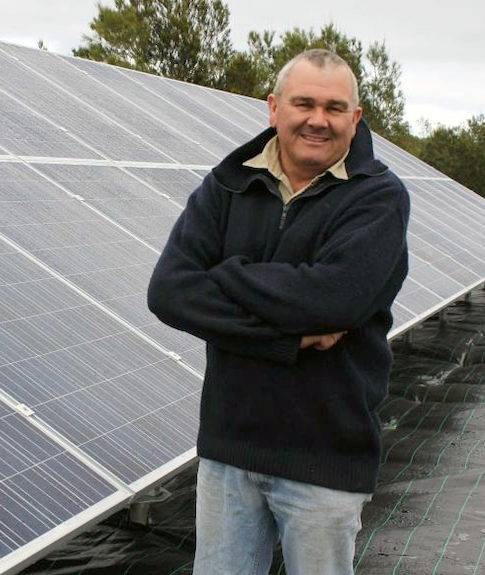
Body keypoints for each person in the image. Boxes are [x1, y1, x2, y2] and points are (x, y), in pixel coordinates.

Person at [146, 48, 410, 575]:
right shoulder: (228, 184)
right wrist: (286, 339)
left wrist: (226, 272)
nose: (318, 119)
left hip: (325, 455)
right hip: (229, 447)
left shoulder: (378, 198)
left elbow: (335, 299)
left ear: (355, 119)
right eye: (303, 103)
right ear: (274, 108)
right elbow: (170, 292)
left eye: (335, 108)